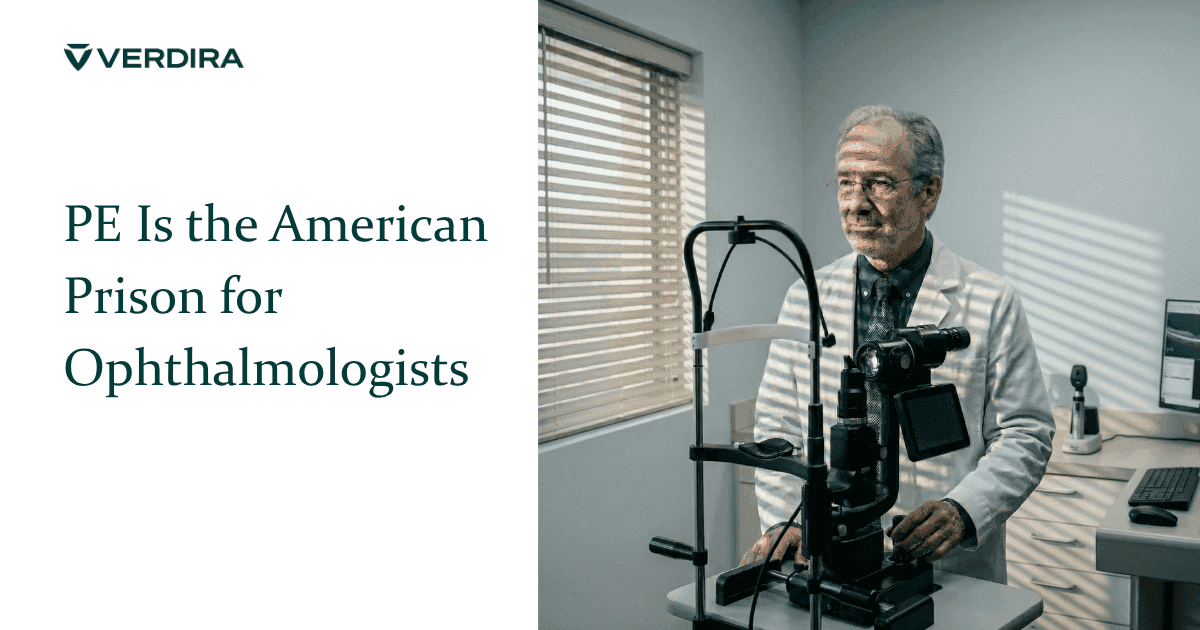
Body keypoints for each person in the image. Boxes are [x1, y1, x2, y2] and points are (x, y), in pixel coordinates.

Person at [740, 106, 1054, 584]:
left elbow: (1025, 431)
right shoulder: (807, 297)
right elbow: (777, 426)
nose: (856, 203)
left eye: (879, 183)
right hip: (831, 555)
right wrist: (788, 518)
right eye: (845, 183)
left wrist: (963, 511)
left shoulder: (990, 301)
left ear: (928, 192)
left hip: (945, 567)